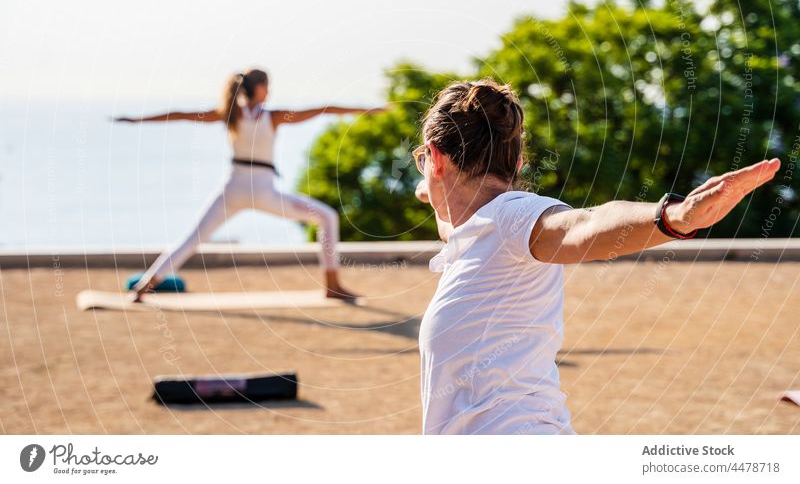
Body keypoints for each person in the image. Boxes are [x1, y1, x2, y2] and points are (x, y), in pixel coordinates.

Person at [412, 78, 780, 435]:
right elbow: (454, 224)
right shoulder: (479, 232)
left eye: (423, 160)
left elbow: (584, 224)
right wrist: (434, 185)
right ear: (519, 163)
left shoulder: (513, 217)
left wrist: (672, 217)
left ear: (437, 158)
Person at [115, 68, 383, 302]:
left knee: (191, 239)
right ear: (259, 87)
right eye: (268, 85)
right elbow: (323, 109)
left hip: (232, 189)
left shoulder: (229, 114)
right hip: (264, 191)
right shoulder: (273, 116)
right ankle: (333, 287)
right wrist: (367, 110)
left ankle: (143, 286)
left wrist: (136, 120)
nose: (270, 90)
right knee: (327, 217)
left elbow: (181, 115)